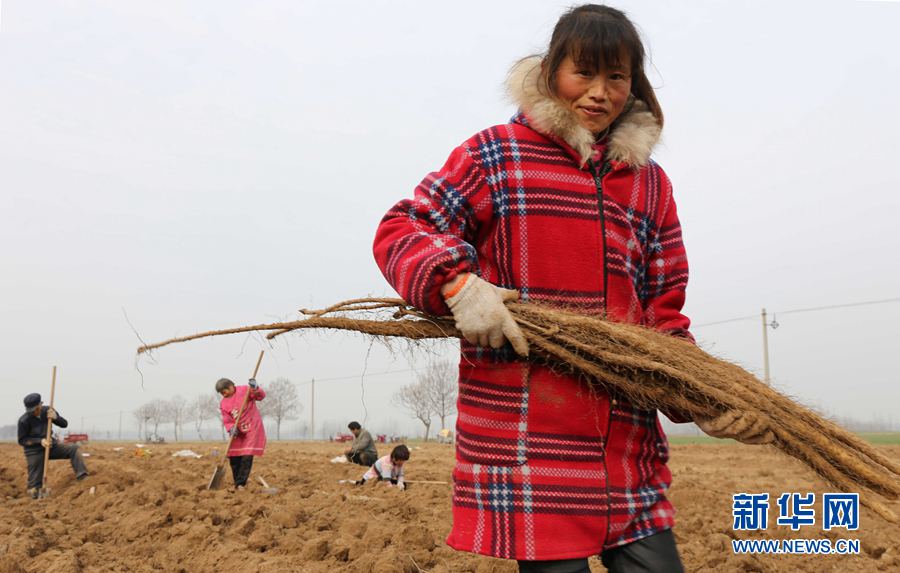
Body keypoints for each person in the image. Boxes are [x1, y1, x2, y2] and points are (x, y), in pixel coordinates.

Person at [373, 5, 772, 572]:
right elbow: (404, 227)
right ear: (552, 70)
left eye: (617, 76)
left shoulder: (650, 186)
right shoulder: (496, 154)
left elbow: (662, 316)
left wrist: (702, 398)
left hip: (625, 445)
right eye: (583, 72)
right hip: (532, 442)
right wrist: (458, 286)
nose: (599, 92)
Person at [17, 393, 89, 499]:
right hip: (34, 451)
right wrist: (40, 441)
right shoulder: (24, 420)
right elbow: (22, 440)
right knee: (34, 484)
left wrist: (56, 417)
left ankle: (82, 476)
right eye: (30, 410)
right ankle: (35, 493)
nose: (32, 412)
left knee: (73, 449)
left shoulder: (48, 411)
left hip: (52, 446)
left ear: (40, 405)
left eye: (35, 409)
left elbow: (64, 424)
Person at [216, 377, 267, 489]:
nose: (223, 395)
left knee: (246, 456)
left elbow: (261, 396)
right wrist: (231, 428)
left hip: (251, 428)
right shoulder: (223, 403)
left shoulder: (245, 390)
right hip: (237, 431)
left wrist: (255, 388)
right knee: (234, 457)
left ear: (230, 386)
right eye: (221, 393)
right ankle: (237, 482)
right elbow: (226, 419)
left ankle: (241, 483)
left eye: (224, 391)